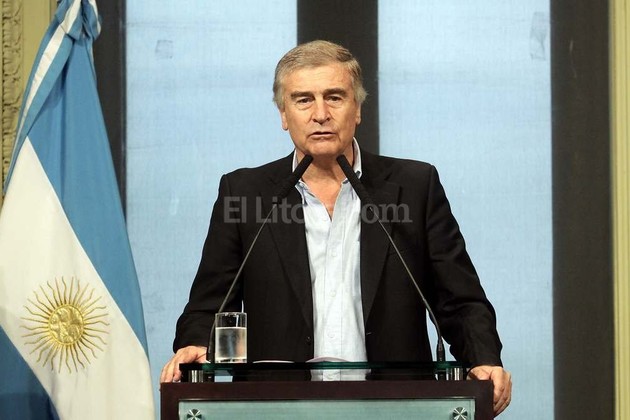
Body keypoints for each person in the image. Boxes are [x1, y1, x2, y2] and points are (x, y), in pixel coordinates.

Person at [161, 40, 512, 416]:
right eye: (303, 100)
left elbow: (459, 301)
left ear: (357, 109)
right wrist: (195, 344)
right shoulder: (244, 193)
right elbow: (209, 305)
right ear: (283, 114)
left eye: (334, 97)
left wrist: (483, 359)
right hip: (277, 410)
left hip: (396, 408)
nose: (321, 114)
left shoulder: (414, 187)